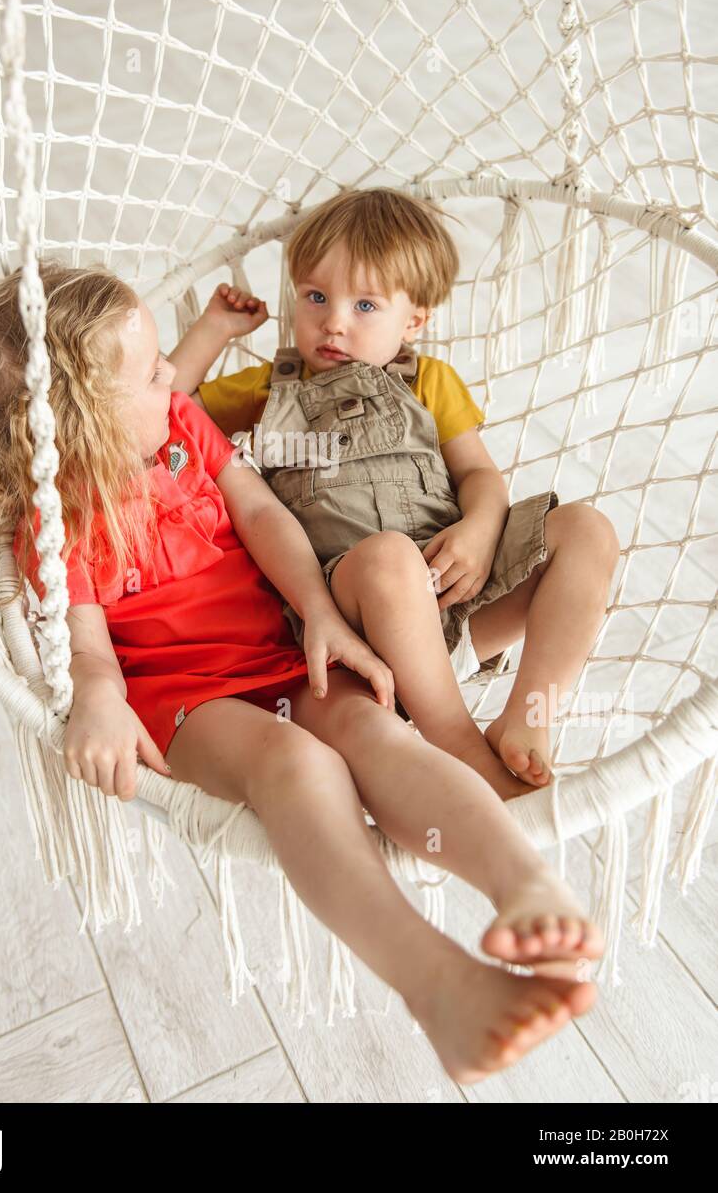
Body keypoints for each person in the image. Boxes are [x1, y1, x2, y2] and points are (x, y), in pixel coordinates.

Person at [0, 259, 604, 1087]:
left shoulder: (178, 424)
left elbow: (258, 511)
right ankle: (433, 980)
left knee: (367, 729)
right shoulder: (53, 514)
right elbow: (87, 648)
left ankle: (523, 881)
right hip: (186, 704)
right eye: (150, 374)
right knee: (296, 764)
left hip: (281, 648)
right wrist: (99, 704)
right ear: (84, 424)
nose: (174, 376)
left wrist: (321, 614)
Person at [169, 187, 621, 793]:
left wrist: (481, 532)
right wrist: (215, 327)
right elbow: (170, 407)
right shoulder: (267, 390)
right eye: (316, 297)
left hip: (457, 598)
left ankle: (529, 714)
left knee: (588, 530)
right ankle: (460, 742)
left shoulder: (430, 380)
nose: (333, 321)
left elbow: (480, 477)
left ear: (413, 321)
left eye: (364, 306)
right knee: (387, 554)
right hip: (352, 615)